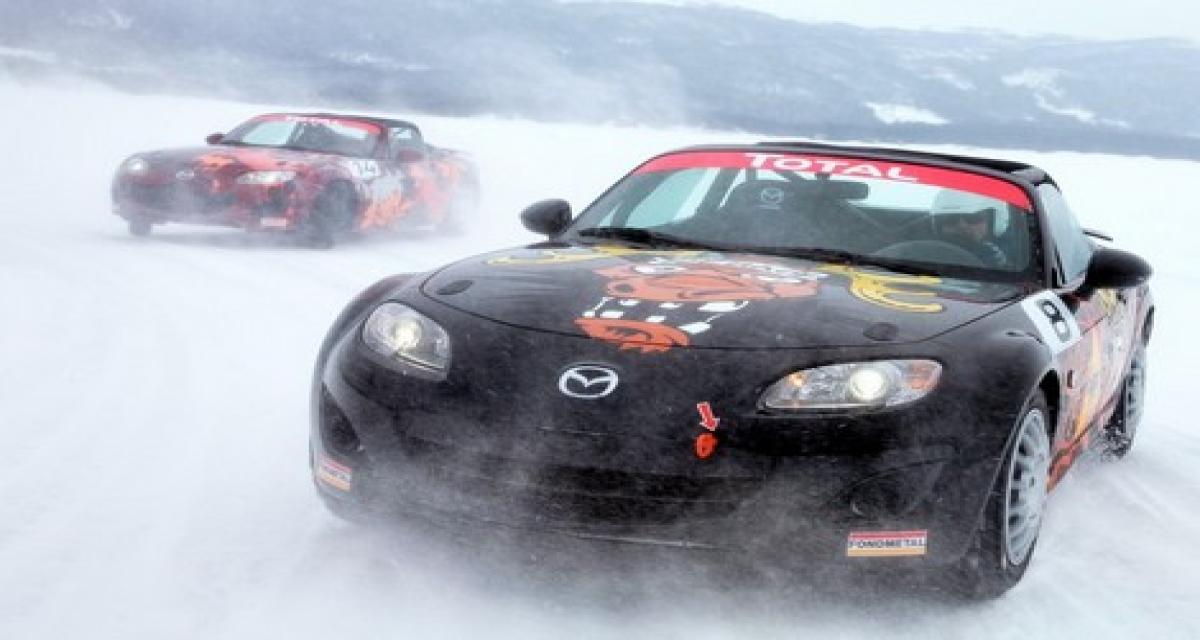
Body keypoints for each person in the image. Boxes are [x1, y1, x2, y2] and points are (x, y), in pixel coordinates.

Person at [931, 189, 1009, 267]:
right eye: (951, 219)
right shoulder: (926, 255)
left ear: (991, 222)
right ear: (939, 225)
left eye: (973, 218)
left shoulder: (997, 257)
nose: (962, 226)